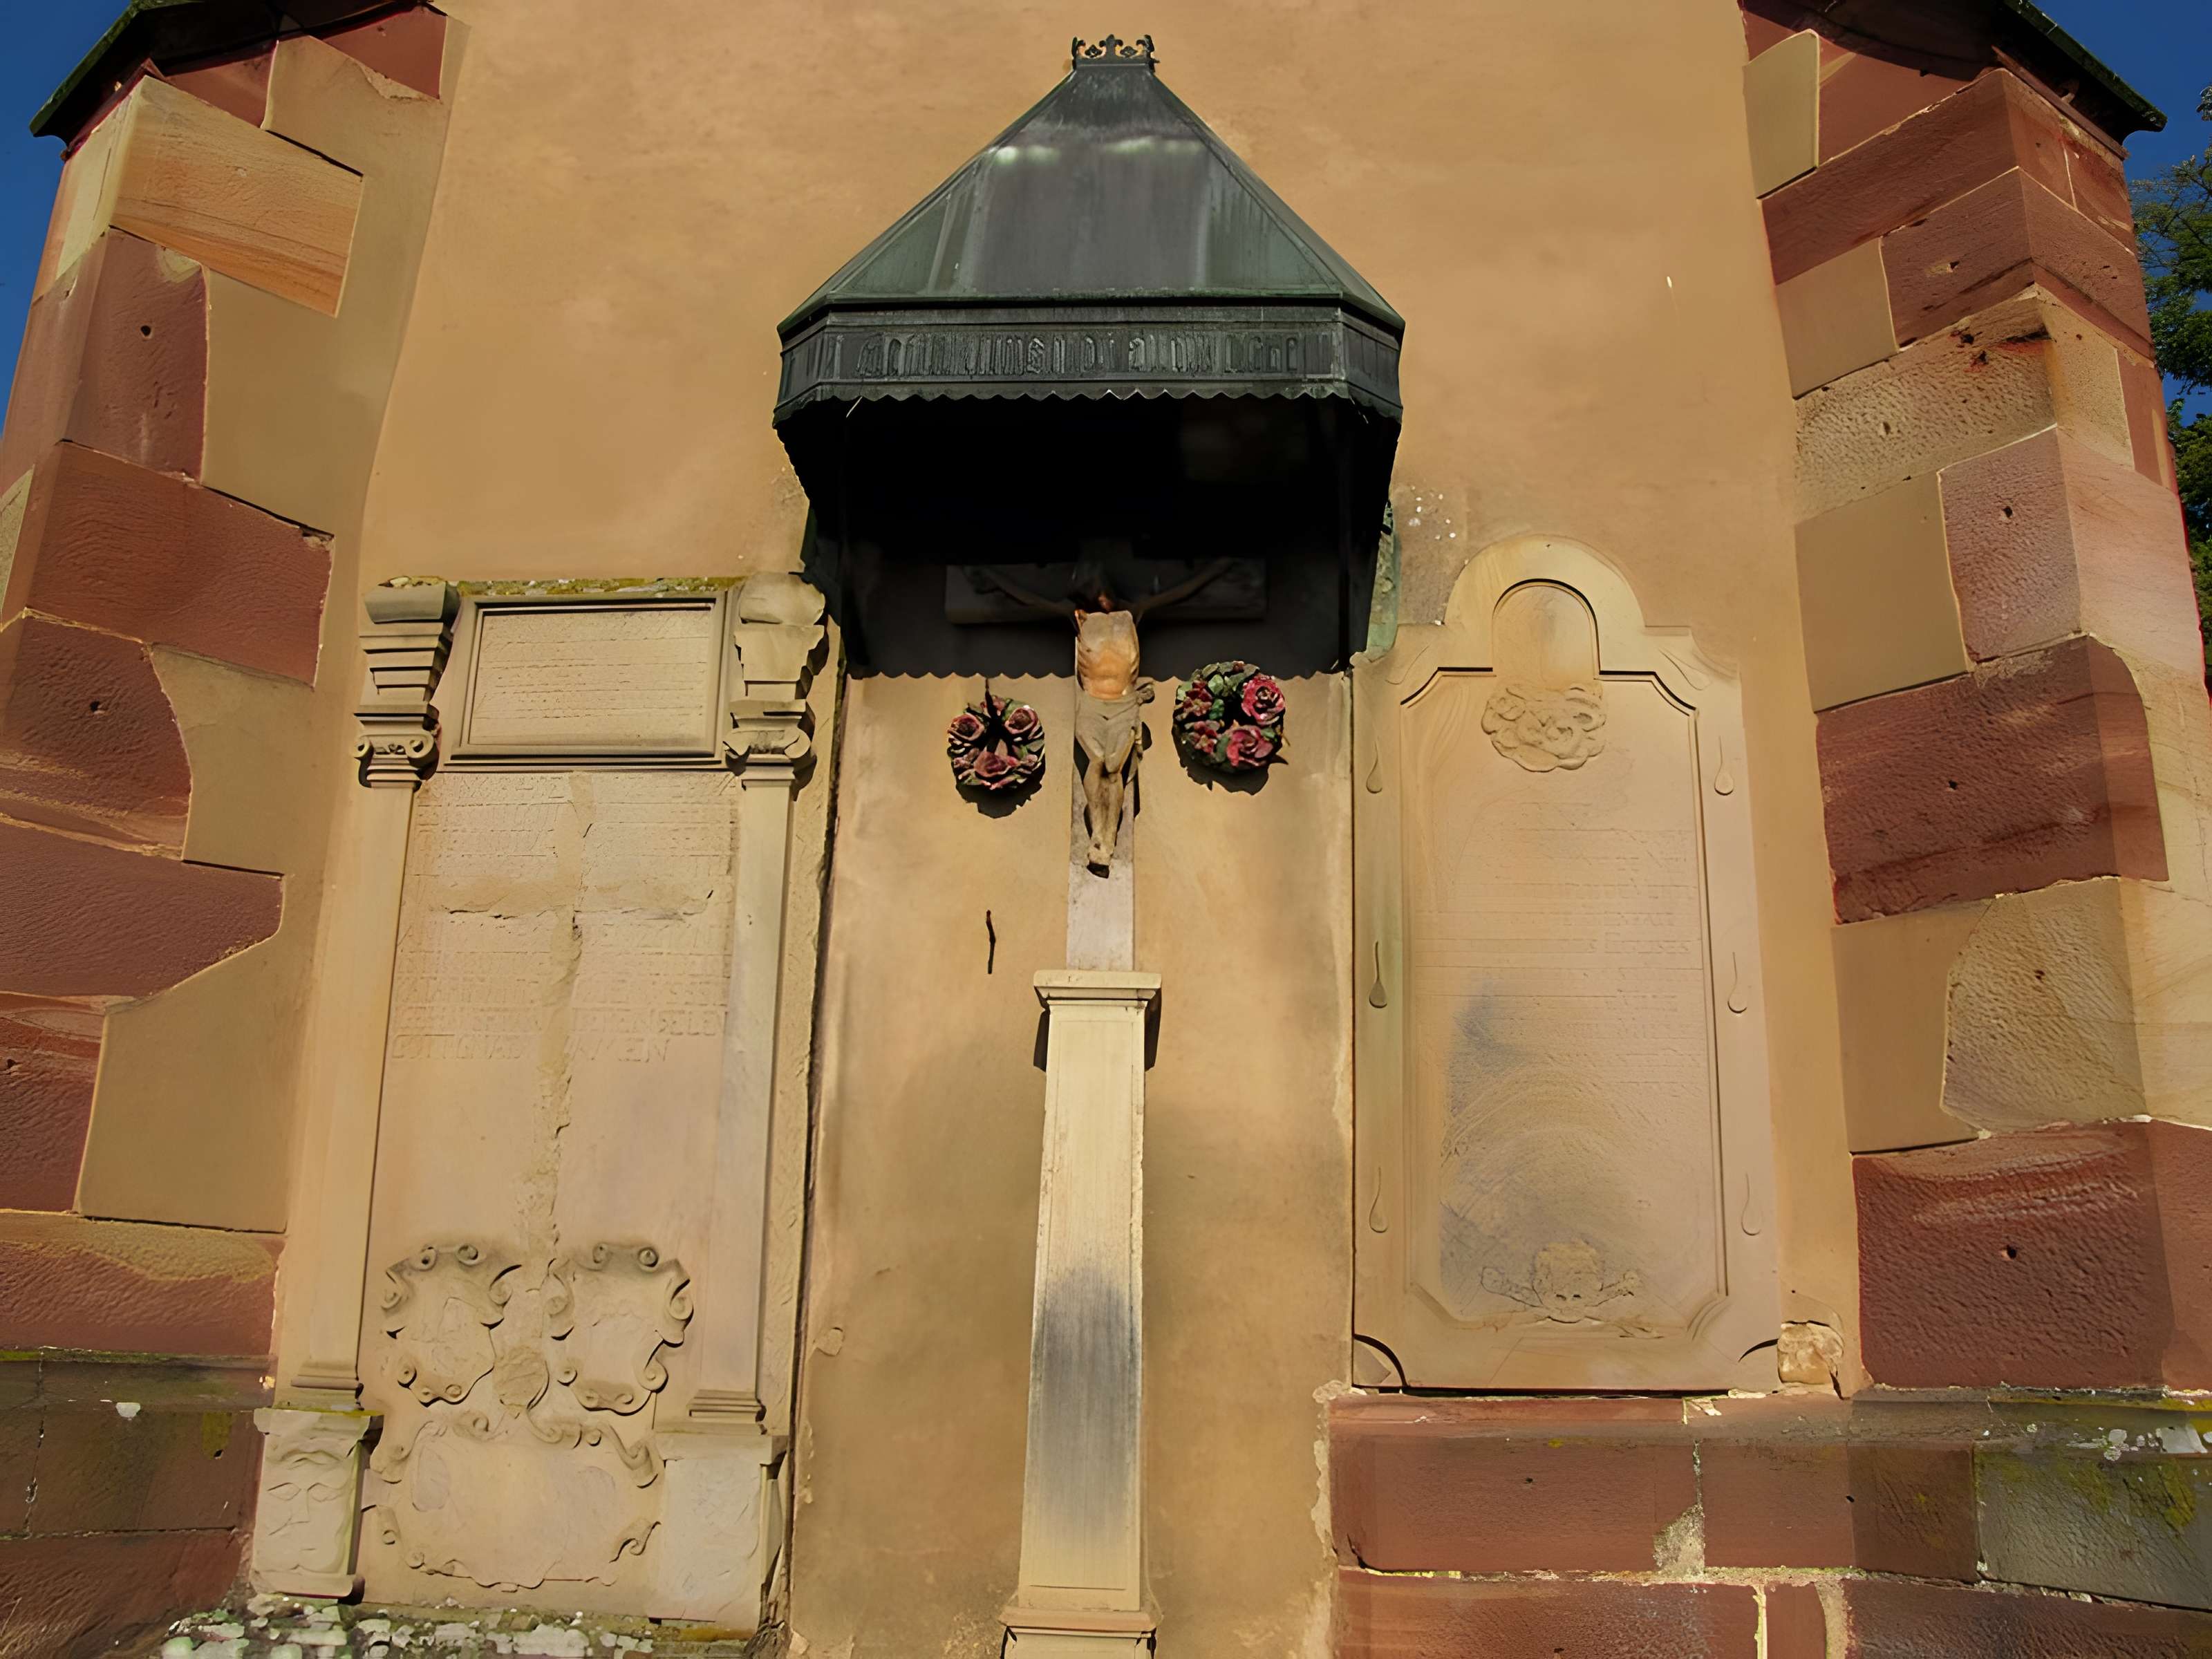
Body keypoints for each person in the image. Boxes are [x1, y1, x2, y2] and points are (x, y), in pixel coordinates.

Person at [966, 556, 1234, 868]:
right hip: (1091, 705)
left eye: (1102, 583)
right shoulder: (1077, 617)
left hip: (1124, 704)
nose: (1101, 589)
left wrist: (1216, 570)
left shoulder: (1132, 613)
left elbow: (1179, 594)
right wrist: (993, 578)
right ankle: (1100, 842)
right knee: (1096, 764)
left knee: (1112, 767)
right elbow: (1031, 599)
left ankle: (1109, 836)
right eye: (1093, 585)